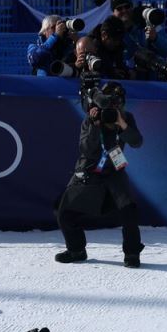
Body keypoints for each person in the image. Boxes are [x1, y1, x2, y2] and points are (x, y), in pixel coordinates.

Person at [55, 80, 145, 268]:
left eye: (115, 104)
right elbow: (86, 149)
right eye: (108, 105)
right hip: (90, 170)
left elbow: (137, 142)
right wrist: (95, 125)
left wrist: (122, 123)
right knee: (63, 211)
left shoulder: (126, 118)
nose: (111, 109)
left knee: (129, 209)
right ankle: (76, 250)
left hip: (114, 171)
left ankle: (132, 253)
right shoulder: (90, 119)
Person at [109, 0, 167, 80]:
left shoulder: (147, 20)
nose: (124, 10)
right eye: (119, 8)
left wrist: (156, 38)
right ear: (113, 12)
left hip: (154, 79)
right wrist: (130, 65)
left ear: (132, 6)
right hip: (128, 81)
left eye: (127, 6)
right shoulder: (110, 29)